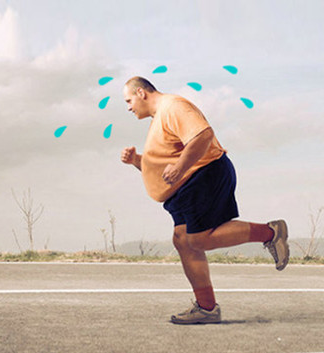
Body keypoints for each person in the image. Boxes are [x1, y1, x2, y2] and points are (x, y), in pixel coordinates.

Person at [121, 76, 289, 324]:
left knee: (197, 239)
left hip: (204, 175)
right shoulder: (159, 119)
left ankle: (270, 233)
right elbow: (168, 160)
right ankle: (207, 308)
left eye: (128, 100)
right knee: (183, 241)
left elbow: (203, 136)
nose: (128, 107)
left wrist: (179, 167)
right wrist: (138, 161)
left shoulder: (173, 106)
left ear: (141, 93)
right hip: (185, 185)